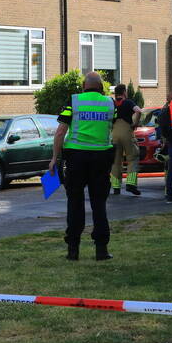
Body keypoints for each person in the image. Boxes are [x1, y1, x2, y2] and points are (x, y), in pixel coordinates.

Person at [49, 72, 116, 261]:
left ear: (84, 86)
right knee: (99, 204)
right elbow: (114, 125)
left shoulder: (74, 102)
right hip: (101, 158)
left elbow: (61, 132)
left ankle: (73, 250)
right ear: (101, 87)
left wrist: (54, 158)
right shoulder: (110, 103)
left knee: (75, 203)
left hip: (76, 158)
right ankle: (101, 250)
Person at [110, 84, 143, 196]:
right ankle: (131, 184)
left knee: (116, 160)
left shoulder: (112, 103)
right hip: (127, 132)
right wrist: (135, 123)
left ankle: (116, 187)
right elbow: (138, 111)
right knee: (133, 157)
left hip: (114, 133)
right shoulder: (128, 102)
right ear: (124, 92)